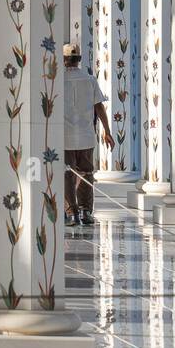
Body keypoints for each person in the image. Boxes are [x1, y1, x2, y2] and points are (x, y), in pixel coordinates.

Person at [63, 42, 113, 227]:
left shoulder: (58, 80)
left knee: (67, 174)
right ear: (80, 60)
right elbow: (99, 106)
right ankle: (85, 211)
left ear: (63, 60)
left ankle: (71, 213)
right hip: (86, 135)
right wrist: (107, 131)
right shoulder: (90, 79)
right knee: (86, 172)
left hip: (65, 136)